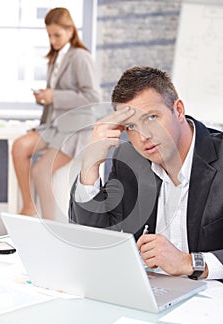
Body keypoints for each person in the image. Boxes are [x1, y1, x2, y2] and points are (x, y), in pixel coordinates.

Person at [69, 66, 223, 281]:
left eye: (151, 117)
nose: (144, 136)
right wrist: (91, 164)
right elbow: (93, 239)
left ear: (178, 110)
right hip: (151, 293)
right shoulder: (129, 160)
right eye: (131, 126)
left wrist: (190, 262)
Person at [12, 7, 100, 219]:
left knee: (41, 171)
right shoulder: (56, 58)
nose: (53, 40)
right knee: (18, 147)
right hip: (55, 126)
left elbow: (93, 97)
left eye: (57, 35)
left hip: (75, 129)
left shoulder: (80, 57)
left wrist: (55, 96)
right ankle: (29, 207)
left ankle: (50, 225)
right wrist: (45, 98)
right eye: (49, 35)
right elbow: (58, 96)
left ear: (70, 31)